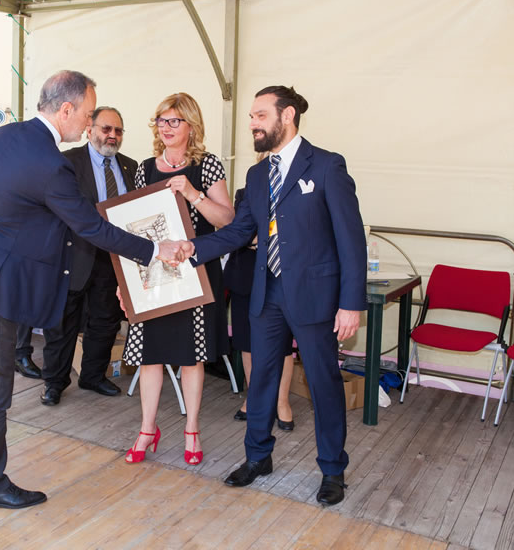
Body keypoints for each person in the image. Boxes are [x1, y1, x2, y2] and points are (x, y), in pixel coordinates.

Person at [0, 70, 185, 511]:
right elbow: (91, 227)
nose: (88, 122)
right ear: (65, 110)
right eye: (87, 113)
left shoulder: (0, 136)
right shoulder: (51, 164)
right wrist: (155, 249)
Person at [178, 86, 366, 507]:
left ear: (288, 115)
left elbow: (351, 240)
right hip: (267, 293)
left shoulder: (328, 166)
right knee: (260, 379)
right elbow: (240, 231)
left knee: (323, 382)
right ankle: (257, 457)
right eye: (250, 116)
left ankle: (332, 470)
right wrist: (194, 248)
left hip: (316, 297)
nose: (252, 124)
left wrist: (351, 303)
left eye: (260, 115)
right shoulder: (257, 175)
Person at [121, 92, 234, 466]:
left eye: (174, 121)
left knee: (191, 357)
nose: (166, 128)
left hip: (196, 275)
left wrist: (193, 193)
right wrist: (126, 284)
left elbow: (227, 221)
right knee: (149, 356)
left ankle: (192, 430)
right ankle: (146, 429)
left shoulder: (207, 165)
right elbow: (134, 227)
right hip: (154, 275)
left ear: (191, 125)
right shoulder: (144, 168)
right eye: (161, 120)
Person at [39, 106, 137, 406]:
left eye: (118, 130)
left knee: (106, 319)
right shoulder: (67, 162)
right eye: (106, 129)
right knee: (63, 322)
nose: (112, 135)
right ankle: (54, 383)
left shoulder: (130, 166)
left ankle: (93, 376)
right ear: (90, 129)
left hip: (112, 257)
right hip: (73, 255)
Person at [226, 180, 295, 430]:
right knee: (247, 342)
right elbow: (240, 232)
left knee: (283, 344)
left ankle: (281, 401)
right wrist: (263, 238)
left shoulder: (294, 190)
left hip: (280, 278)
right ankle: (254, 398)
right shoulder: (245, 193)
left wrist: (259, 239)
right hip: (245, 275)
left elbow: (296, 234)